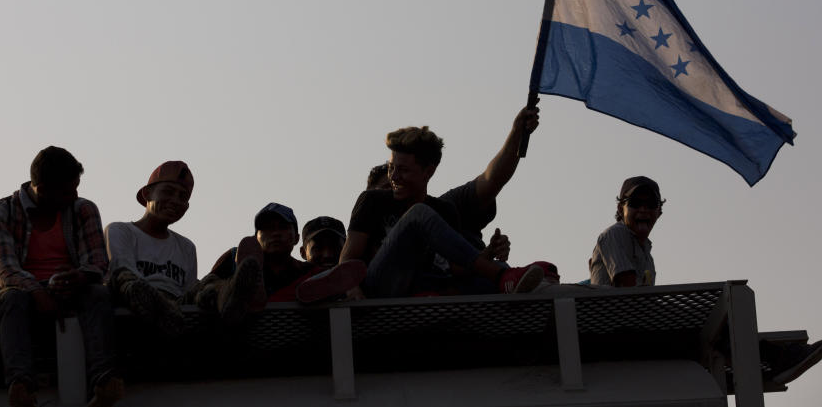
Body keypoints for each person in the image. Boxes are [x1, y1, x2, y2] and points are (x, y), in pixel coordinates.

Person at [589, 175, 822, 386]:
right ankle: (777, 359)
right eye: (636, 203)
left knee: (716, 329)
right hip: (614, 331)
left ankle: (772, 360)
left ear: (659, 211)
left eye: (650, 204)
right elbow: (629, 293)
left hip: (633, 329)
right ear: (621, 208)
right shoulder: (616, 233)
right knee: (708, 322)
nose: (643, 209)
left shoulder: (645, 253)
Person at [340, 117, 547, 299]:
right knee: (418, 214)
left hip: (428, 288)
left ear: (428, 172)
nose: (393, 177)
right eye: (392, 167)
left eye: (402, 170)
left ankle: (532, 284)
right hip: (382, 288)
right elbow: (348, 258)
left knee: (495, 274)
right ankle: (502, 276)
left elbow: (457, 268)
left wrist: (487, 253)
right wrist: (352, 290)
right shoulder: (372, 200)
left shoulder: (444, 210)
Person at [0, 146, 123, 407]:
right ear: (44, 191)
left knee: (98, 293)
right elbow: (5, 269)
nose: (76, 195)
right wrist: (36, 292)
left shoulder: (83, 209)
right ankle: (21, 386)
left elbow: (97, 262)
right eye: (69, 191)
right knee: (12, 299)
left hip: (72, 288)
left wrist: (79, 277)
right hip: (22, 291)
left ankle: (105, 382)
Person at [202, 203, 365, 322]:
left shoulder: (308, 270)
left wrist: (351, 288)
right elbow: (203, 287)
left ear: (295, 238)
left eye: (282, 227)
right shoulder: (234, 256)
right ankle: (242, 288)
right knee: (212, 287)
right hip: (239, 329)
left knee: (315, 283)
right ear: (256, 237)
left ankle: (293, 294)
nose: (275, 234)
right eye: (267, 228)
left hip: (291, 335)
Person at [105, 161, 199, 338]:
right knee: (127, 280)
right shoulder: (120, 230)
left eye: (183, 196)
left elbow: (189, 293)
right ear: (147, 193)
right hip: (131, 309)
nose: (175, 201)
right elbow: (122, 272)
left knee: (206, 287)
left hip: (175, 310)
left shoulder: (186, 247)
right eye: (168, 192)